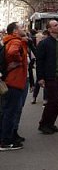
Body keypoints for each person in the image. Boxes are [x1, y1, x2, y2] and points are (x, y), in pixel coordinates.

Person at [36, 20, 58, 134]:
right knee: (52, 100)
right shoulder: (44, 43)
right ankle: (43, 124)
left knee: (57, 101)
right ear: (50, 29)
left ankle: (51, 124)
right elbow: (40, 62)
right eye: (55, 25)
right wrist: (40, 78)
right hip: (50, 76)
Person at [0, 22, 28, 151]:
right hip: (15, 82)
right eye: (21, 28)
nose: (23, 29)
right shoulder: (15, 41)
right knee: (10, 112)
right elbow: (12, 52)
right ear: (15, 31)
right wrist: (18, 61)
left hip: (10, 82)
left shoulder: (8, 41)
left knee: (7, 111)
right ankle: (6, 141)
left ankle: (5, 138)